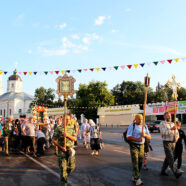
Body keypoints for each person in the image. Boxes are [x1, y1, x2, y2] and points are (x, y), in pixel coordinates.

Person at [126, 114, 151, 186]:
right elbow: (128, 137)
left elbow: (149, 137)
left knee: (140, 162)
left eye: (141, 119)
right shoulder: (132, 125)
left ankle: (134, 176)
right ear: (135, 119)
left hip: (142, 146)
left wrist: (145, 135)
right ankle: (137, 179)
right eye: (139, 119)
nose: (140, 120)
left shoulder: (144, 126)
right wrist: (137, 139)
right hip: (134, 146)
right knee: (135, 161)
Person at [52, 115, 77, 186]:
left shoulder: (71, 128)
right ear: (63, 120)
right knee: (63, 169)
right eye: (66, 119)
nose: (68, 120)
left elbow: (75, 139)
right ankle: (64, 182)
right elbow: (54, 140)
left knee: (72, 167)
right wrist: (60, 147)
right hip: (62, 151)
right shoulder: (58, 129)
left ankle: (64, 176)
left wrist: (68, 135)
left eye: (69, 119)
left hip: (70, 150)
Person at [159, 112, 182, 178]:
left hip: (173, 143)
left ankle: (163, 171)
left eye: (170, 116)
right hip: (167, 142)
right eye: (167, 116)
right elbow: (163, 133)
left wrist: (176, 138)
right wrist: (171, 129)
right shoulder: (162, 123)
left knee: (168, 158)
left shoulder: (173, 124)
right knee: (171, 157)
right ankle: (176, 172)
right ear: (164, 117)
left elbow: (177, 133)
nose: (169, 117)